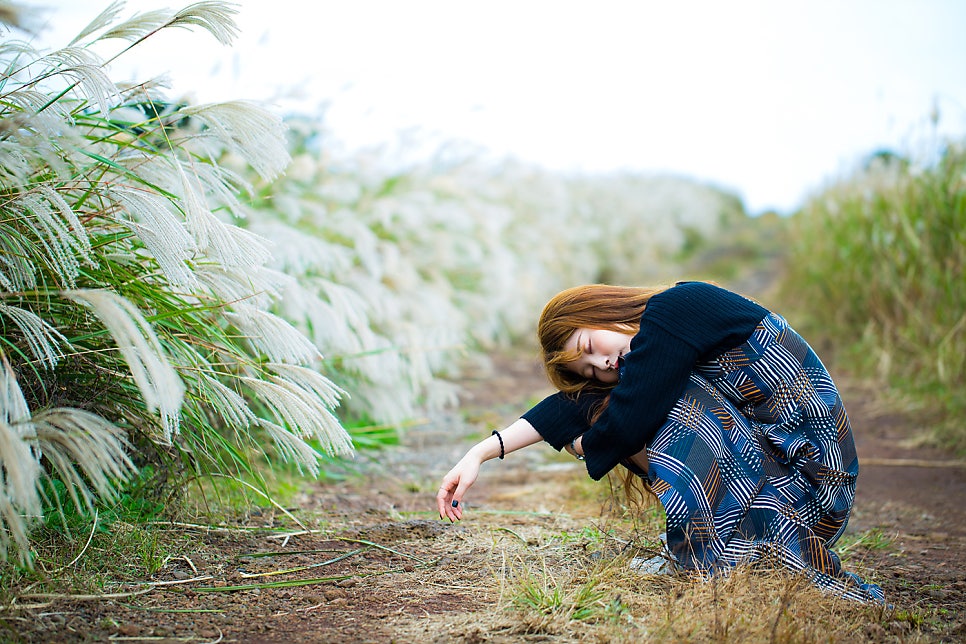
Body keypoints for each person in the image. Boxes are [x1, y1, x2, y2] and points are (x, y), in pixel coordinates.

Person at [436, 280, 883, 603]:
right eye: (590, 366)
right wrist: (481, 450)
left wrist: (584, 448)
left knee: (658, 402)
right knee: (627, 397)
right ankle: (726, 546)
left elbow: (628, 423)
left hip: (813, 488)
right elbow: (576, 405)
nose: (603, 361)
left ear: (603, 311)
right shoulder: (652, 346)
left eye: (591, 343)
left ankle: (719, 551)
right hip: (787, 484)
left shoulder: (674, 309)